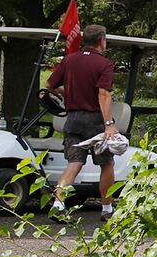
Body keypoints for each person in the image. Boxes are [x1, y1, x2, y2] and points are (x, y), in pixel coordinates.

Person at [46, 23, 118, 219]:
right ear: (102, 40)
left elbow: (50, 84)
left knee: (74, 163)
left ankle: (59, 204)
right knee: (107, 164)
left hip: (73, 119)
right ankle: (106, 209)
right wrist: (109, 124)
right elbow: (103, 94)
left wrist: (67, 93)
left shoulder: (69, 60)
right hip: (95, 121)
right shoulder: (104, 64)